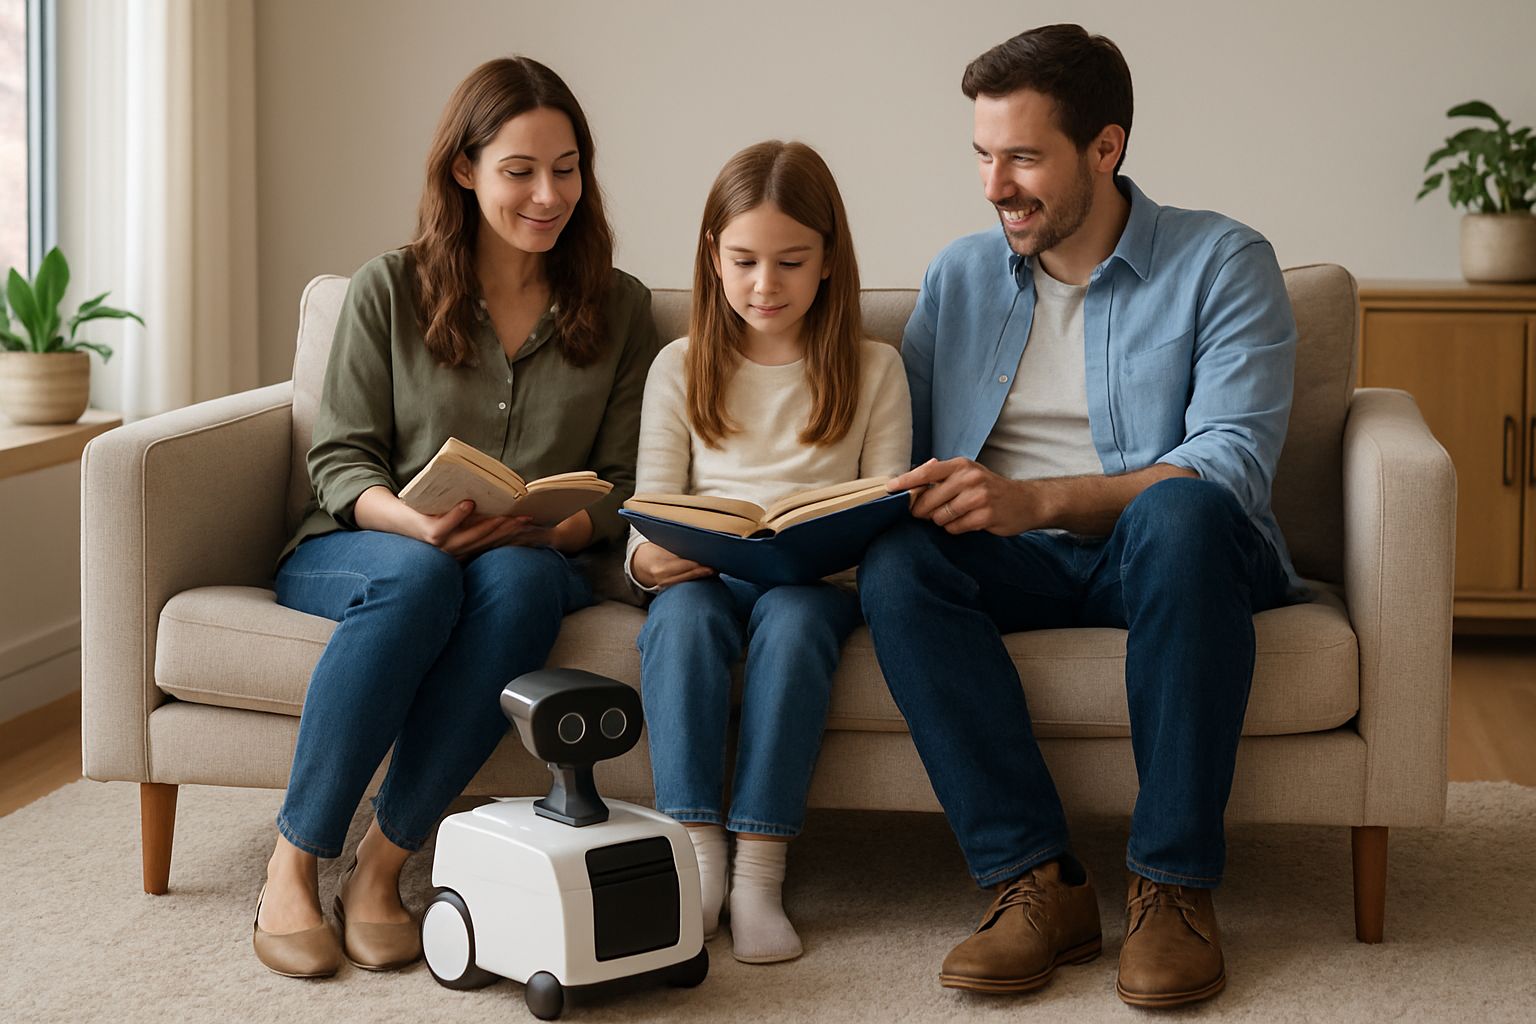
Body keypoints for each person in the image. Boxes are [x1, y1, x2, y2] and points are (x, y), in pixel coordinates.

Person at [857, 24, 1303, 1008]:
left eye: (1022, 156)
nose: (993, 184)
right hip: (1019, 561)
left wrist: (1038, 500)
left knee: (1182, 513)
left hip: (1179, 554)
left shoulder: (1224, 261)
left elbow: (1231, 465)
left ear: (1106, 148)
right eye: (981, 155)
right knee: (897, 559)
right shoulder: (961, 276)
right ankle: (1037, 881)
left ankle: (1175, 887)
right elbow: (900, 449)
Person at [253, 57, 659, 978]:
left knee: (519, 585)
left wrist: (561, 528)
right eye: (520, 170)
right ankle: (294, 858)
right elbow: (339, 458)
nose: (548, 194)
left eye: (567, 168)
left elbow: (630, 478)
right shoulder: (386, 288)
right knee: (422, 576)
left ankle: (383, 865)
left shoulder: (621, 306)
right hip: (369, 545)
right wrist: (413, 522)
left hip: (528, 552)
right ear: (465, 171)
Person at [626, 140, 911, 964]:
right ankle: (696, 852)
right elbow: (647, 514)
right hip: (703, 574)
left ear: (829, 262)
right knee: (681, 624)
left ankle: (759, 870)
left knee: (790, 624)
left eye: (791, 262)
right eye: (744, 261)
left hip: (815, 583)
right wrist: (649, 562)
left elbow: (882, 512)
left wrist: (827, 549)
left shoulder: (874, 368)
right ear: (712, 257)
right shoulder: (678, 366)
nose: (764, 285)